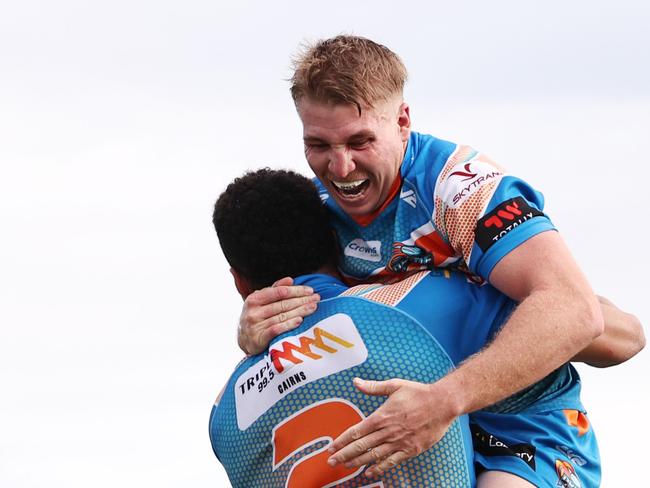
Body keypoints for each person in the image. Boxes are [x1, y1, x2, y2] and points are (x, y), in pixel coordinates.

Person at [234, 35, 645, 485]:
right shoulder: (316, 205)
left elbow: (590, 319)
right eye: (318, 145)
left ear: (403, 121)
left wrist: (445, 398)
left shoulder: (462, 188)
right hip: (407, 428)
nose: (341, 168)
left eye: (360, 141)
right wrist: (257, 326)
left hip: (519, 428)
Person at [210, 169, 479, 486]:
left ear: (239, 282)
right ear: (339, 241)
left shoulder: (222, 418)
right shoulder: (427, 305)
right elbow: (548, 345)